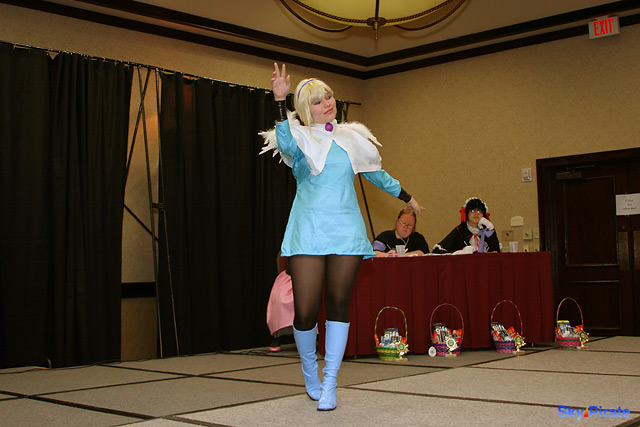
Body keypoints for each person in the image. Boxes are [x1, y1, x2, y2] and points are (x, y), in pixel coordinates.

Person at [260, 63, 424, 411]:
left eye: (330, 97)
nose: (328, 103)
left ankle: (331, 380)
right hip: (308, 230)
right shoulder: (299, 138)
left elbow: (376, 174)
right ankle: (310, 370)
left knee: (338, 304)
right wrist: (280, 101)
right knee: (305, 312)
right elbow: (284, 141)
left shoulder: (351, 139)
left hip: (345, 231)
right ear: (306, 110)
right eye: (318, 101)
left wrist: (407, 197)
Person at [432, 197, 500, 254]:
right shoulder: (460, 231)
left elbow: (496, 251)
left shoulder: (487, 231)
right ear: (467, 213)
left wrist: (490, 228)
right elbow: (437, 251)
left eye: (479, 211)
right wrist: (460, 253)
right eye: (472, 211)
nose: (476, 214)